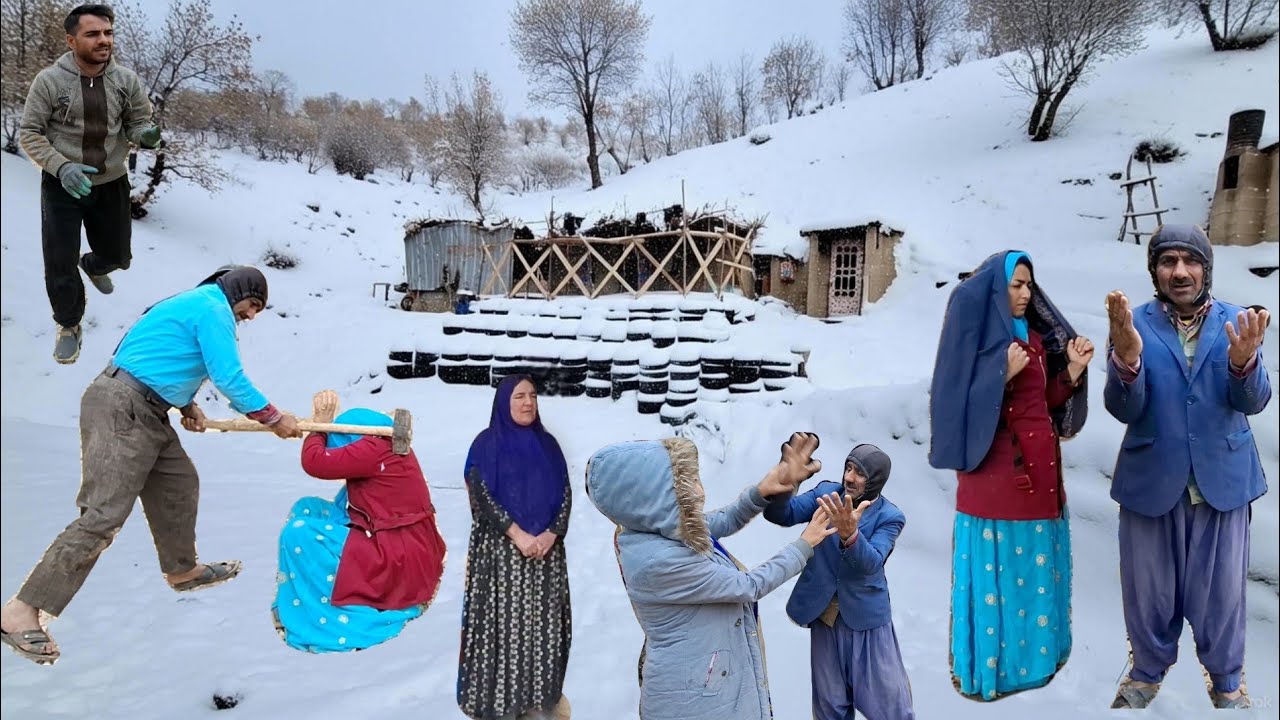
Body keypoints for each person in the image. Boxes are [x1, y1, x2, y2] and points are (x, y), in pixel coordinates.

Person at [0, 265, 301, 665]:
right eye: (252, 305)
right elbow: (228, 376)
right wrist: (273, 417)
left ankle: (181, 570)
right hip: (122, 407)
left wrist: (185, 403)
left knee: (179, 482)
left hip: (147, 407)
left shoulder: (194, 303)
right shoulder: (214, 308)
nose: (250, 316)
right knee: (102, 517)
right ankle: (20, 610)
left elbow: (156, 354)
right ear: (239, 290)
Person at [1104, 224, 1270, 710]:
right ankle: (1146, 672)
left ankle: (1226, 681)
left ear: (1206, 267)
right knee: (1149, 590)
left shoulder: (1239, 320)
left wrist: (1245, 364)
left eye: (1190, 261)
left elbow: (1255, 401)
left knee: (1221, 595)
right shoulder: (1129, 323)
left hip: (1223, 478)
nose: (1180, 271)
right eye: (1167, 261)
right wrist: (1128, 362)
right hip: (1152, 478)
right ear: (1154, 270)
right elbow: (1123, 409)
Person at [928, 250, 1093, 701]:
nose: (1025, 293)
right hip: (997, 482)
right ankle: (996, 671)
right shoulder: (978, 342)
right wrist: (998, 373)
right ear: (994, 289)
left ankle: (1035, 664)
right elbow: (952, 403)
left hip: (1042, 480)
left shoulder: (1034, 343)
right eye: (1016, 285)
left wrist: (1072, 372)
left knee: (1034, 574)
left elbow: (1041, 405)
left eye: (1028, 285)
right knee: (1002, 579)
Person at [585, 432, 834, 720]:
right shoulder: (657, 562)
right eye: (684, 484)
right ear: (649, 497)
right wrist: (805, 545)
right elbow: (748, 586)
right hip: (695, 698)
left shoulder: (652, 527)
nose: (700, 491)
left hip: (708, 676)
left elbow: (722, 521)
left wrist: (762, 491)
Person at [19, 4, 162, 364]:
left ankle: (95, 265)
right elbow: (30, 133)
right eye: (93, 34)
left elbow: (137, 122)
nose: (104, 40)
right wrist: (61, 166)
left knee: (119, 256)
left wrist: (144, 136)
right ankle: (69, 323)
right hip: (61, 184)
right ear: (72, 40)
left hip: (110, 182)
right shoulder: (49, 81)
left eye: (108, 33)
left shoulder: (126, 80)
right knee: (59, 262)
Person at [271, 391, 446, 653]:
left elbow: (315, 463)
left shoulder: (372, 448)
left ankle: (322, 609)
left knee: (298, 533)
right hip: (400, 541)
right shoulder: (385, 443)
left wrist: (320, 424)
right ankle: (307, 594)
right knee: (307, 508)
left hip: (396, 553)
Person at [763, 443, 914, 720]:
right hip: (824, 617)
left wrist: (851, 536)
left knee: (889, 705)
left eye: (860, 473)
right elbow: (780, 514)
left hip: (866, 621)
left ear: (876, 480)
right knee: (829, 706)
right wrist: (787, 481)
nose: (849, 477)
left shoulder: (889, 517)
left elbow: (871, 564)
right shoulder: (826, 493)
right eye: (848, 468)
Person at [457, 375, 573, 720]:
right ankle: (500, 703)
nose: (528, 403)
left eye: (533, 396)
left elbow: (564, 493)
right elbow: (481, 495)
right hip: (501, 556)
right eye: (519, 396)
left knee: (544, 630)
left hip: (546, 558)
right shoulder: (486, 445)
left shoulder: (549, 446)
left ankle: (539, 698)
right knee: (505, 631)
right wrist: (518, 535)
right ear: (504, 402)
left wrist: (550, 534)